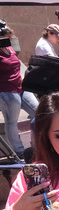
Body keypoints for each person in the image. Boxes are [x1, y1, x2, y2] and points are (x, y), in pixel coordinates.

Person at [0, 19, 39, 159]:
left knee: (40, 113)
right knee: (11, 121)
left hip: (21, 86)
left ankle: (37, 146)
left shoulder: (8, 46)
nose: (5, 38)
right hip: (6, 90)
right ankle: (20, 152)